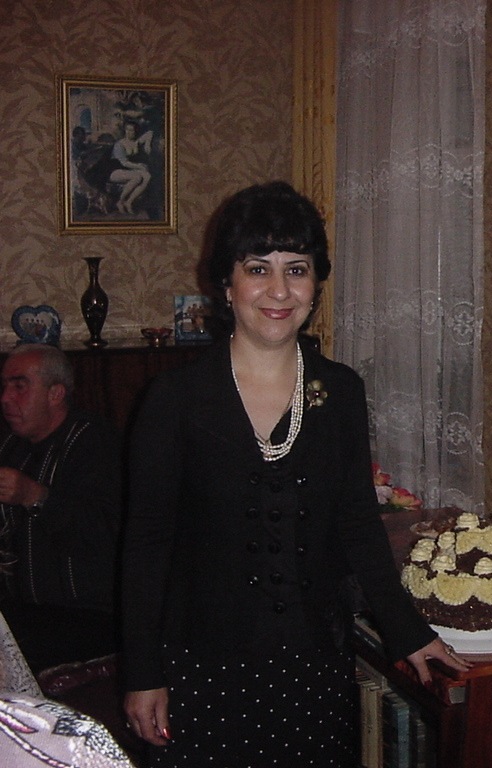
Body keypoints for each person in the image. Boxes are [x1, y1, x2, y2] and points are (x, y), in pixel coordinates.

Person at [120, 181, 469, 767]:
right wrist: (141, 671)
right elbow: (145, 546)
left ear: (315, 284)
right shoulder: (175, 398)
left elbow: (358, 525)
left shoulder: (341, 391)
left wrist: (408, 631)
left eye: (297, 269)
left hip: (311, 667)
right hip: (202, 666)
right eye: (258, 269)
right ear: (226, 284)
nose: (279, 291)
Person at [0, 343, 121, 672]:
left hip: (86, 615)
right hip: (23, 609)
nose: (6, 398)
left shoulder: (93, 442)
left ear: (55, 394)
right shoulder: (11, 445)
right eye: (5, 386)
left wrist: (34, 496)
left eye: (19, 386)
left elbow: (103, 536)